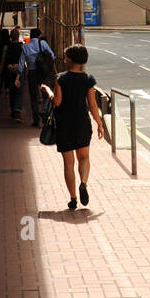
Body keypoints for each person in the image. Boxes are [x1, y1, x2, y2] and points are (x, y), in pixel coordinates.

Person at [41, 45, 105, 211]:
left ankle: (73, 198)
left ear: (70, 59)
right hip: (82, 122)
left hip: (64, 124)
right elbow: (92, 105)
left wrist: (48, 90)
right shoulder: (88, 79)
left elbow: (57, 102)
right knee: (84, 157)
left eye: (66, 56)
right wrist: (99, 123)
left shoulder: (60, 78)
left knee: (68, 162)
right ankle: (83, 183)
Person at [18, 28, 55, 127]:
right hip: (43, 72)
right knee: (46, 95)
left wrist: (18, 77)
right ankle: (45, 114)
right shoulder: (42, 43)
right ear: (39, 35)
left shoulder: (25, 47)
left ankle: (36, 120)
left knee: (33, 97)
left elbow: (21, 64)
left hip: (32, 73)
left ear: (30, 36)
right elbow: (52, 55)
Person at [2, 27, 25, 121]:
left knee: (12, 90)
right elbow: (24, 59)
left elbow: (4, 60)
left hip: (9, 69)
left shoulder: (7, 47)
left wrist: (0, 73)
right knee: (20, 90)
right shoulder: (22, 46)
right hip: (19, 70)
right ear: (18, 36)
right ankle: (17, 110)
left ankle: (13, 111)